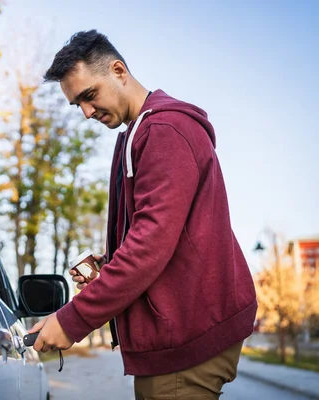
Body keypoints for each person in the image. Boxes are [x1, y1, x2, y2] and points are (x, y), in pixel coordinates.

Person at [28, 30, 257, 399]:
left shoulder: (164, 130)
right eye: (77, 105)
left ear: (119, 70)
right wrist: (111, 259)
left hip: (185, 336)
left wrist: (72, 320)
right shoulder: (137, 135)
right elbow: (158, 234)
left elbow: (149, 244)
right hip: (176, 335)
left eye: (89, 96)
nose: (87, 112)